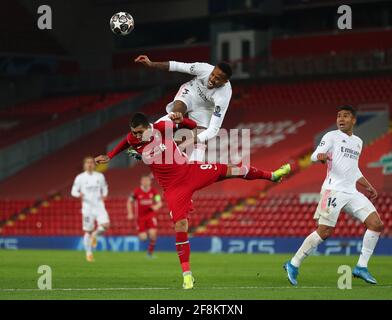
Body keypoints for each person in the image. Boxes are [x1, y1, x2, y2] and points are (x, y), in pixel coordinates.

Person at [95, 112, 291, 289]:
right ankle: (187, 275)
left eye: (139, 132)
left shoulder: (162, 128)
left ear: (148, 127)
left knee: (233, 170)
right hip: (173, 188)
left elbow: (193, 127)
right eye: (134, 133)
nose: (137, 136)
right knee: (180, 225)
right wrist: (110, 156)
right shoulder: (133, 138)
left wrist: (183, 120)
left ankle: (272, 175)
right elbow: (125, 142)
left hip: (190, 172)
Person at [284, 105, 384, 286]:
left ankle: (361, 267)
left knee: (376, 224)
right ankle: (293, 263)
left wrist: (368, 186)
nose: (341, 119)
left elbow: (354, 169)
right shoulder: (331, 136)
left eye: (345, 116)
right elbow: (315, 155)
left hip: (352, 191)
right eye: (338, 116)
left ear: (353, 120)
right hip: (333, 190)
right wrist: (320, 156)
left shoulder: (358, 142)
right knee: (324, 232)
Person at [134, 55, 233, 163]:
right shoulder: (203, 68)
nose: (212, 79)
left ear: (225, 81)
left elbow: (213, 129)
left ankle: (193, 170)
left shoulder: (223, 96)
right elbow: (177, 66)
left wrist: (192, 140)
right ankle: (144, 142)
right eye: (213, 74)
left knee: (201, 137)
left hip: (205, 108)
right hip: (191, 92)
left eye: (217, 78)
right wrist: (151, 64)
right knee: (176, 113)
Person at [71, 157, 110, 262]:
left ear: (94, 164)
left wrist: (104, 195)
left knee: (106, 225)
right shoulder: (80, 177)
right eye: (87, 163)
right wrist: (79, 194)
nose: (90, 164)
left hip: (99, 205)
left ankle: (95, 235)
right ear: (84, 165)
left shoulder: (100, 176)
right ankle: (88, 253)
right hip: (87, 208)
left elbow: (105, 187)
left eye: (92, 163)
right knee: (87, 231)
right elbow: (73, 191)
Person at [127, 174, 162, 257]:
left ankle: (149, 253)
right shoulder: (136, 191)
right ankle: (144, 235)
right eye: (144, 180)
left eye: (147, 180)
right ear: (141, 182)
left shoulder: (154, 192)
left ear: (150, 182)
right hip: (140, 217)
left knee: (153, 234)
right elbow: (129, 202)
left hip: (150, 216)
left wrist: (156, 207)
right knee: (143, 237)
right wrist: (130, 213)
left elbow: (159, 202)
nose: (145, 182)